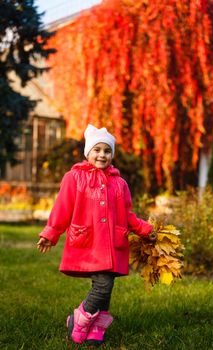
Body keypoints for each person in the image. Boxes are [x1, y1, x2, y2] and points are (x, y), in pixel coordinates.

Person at [37, 124, 156, 346]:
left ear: (112, 154)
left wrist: (144, 230)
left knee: (106, 285)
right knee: (103, 286)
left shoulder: (119, 183)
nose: (102, 155)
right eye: (97, 150)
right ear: (88, 152)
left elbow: (128, 214)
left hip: (112, 242)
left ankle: (96, 328)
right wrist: (51, 233)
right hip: (89, 243)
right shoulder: (74, 178)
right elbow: (63, 208)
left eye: (107, 151)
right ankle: (78, 320)